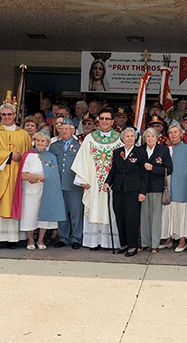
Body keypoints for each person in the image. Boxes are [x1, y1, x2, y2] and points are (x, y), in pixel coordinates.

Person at [0, 93, 32, 250]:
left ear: (15, 115)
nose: (7, 117)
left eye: (10, 114)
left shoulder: (23, 134)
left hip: (17, 176)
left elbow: (29, 155)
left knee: (14, 205)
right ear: (0, 116)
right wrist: (10, 156)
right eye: (4, 114)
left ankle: (12, 239)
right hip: (0, 175)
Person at [72, 107, 122, 250]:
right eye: (102, 118)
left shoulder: (119, 139)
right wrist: (82, 180)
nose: (104, 121)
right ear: (98, 120)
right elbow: (82, 159)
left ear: (113, 121)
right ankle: (93, 241)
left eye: (108, 119)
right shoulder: (89, 138)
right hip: (93, 183)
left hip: (112, 183)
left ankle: (109, 241)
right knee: (93, 207)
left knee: (111, 209)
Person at [12, 131, 66, 250]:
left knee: (44, 216)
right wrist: (38, 178)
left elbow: (54, 176)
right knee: (29, 214)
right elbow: (23, 175)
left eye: (43, 141)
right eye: (38, 140)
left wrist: (38, 178)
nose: (40, 143)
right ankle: (30, 239)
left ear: (47, 143)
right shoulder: (28, 155)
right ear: (34, 141)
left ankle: (40, 239)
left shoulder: (51, 157)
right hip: (30, 191)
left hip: (46, 190)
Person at [104, 128, 148, 256]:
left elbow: (144, 175)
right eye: (127, 136)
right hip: (118, 189)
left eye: (132, 136)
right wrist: (107, 182)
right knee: (120, 217)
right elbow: (113, 170)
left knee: (131, 218)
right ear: (123, 138)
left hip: (133, 190)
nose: (130, 138)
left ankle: (132, 246)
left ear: (135, 138)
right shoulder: (117, 152)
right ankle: (123, 244)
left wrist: (142, 192)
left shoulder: (140, 152)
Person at [159, 121, 187, 252]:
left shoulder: (186, 148)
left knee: (181, 213)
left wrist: (185, 186)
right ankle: (168, 239)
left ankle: (182, 240)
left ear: (181, 134)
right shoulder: (165, 149)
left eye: (176, 132)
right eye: (171, 132)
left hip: (181, 187)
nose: (173, 135)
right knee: (167, 213)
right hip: (168, 186)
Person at [50, 119, 84, 249]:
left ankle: (76, 238)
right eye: (62, 128)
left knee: (76, 212)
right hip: (58, 184)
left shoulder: (79, 145)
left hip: (74, 185)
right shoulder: (54, 146)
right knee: (61, 212)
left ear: (73, 130)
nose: (64, 131)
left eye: (66, 129)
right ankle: (63, 237)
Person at [140, 127, 172, 253]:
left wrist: (153, 168)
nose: (150, 139)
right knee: (144, 216)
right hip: (142, 188)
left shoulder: (163, 150)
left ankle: (154, 244)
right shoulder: (140, 150)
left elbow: (169, 169)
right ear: (144, 138)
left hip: (157, 187)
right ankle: (145, 243)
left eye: (152, 136)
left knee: (156, 217)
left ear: (157, 138)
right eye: (147, 136)